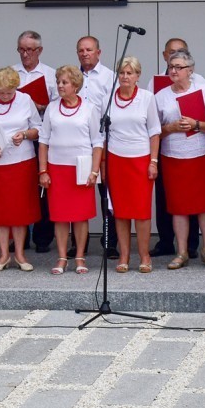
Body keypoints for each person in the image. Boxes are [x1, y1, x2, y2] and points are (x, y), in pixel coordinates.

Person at [155, 50, 205, 270]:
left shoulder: (202, 89)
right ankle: (181, 251)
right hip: (173, 157)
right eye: (171, 66)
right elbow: (155, 132)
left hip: (201, 154)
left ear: (190, 70)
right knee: (178, 206)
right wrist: (171, 128)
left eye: (179, 67)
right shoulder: (161, 95)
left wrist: (196, 124)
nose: (174, 70)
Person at [0, 67, 41, 272]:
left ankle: (19, 254)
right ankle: (3, 255)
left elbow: (38, 129)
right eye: (1, 92)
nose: (4, 96)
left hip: (21, 162)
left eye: (9, 92)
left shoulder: (25, 99)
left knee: (20, 209)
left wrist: (25, 134)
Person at [39, 65, 102, 275]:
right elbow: (43, 141)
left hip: (81, 169)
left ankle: (80, 257)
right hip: (57, 168)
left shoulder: (89, 108)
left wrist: (94, 171)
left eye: (64, 82)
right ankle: (62, 257)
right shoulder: (51, 108)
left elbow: (97, 142)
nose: (60, 86)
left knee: (80, 215)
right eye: (58, 82)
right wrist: (43, 171)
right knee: (59, 215)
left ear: (75, 85)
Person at [146, 38, 205, 259]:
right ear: (164, 55)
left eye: (180, 53)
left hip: (194, 148)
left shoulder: (200, 81)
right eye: (171, 54)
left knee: (191, 197)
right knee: (165, 197)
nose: (174, 60)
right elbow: (151, 118)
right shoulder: (156, 83)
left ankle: (191, 244)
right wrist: (167, 128)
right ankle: (165, 242)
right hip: (166, 147)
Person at [103, 57, 161, 273]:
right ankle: (125, 255)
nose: (125, 77)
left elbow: (154, 131)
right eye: (122, 73)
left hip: (140, 159)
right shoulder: (109, 99)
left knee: (142, 211)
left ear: (138, 76)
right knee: (120, 210)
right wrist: (103, 164)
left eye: (130, 73)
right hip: (116, 159)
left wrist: (153, 161)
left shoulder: (147, 98)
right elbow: (104, 133)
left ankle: (144, 255)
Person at [12, 30, 56, 254]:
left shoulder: (50, 74)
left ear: (39, 50)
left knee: (42, 186)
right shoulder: (10, 73)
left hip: (42, 136)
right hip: (15, 137)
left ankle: (42, 237)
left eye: (30, 49)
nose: (25, 54)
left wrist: (42, 106)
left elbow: (60, 106)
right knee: (17, 187)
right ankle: (15, 237)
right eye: (21, 49)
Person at [76, 36, 118, 258]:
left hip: (103, 142)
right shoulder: (71, 77)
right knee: (77, 192)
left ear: (98, 53)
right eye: (81, 50)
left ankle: (109, 242)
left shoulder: (110, 77)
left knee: (106, 194)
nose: (85, 54)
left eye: (89, 50)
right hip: (77, 144)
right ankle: (77, 244)